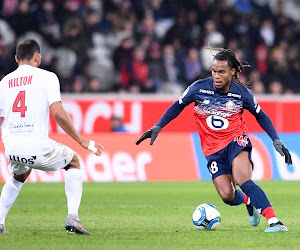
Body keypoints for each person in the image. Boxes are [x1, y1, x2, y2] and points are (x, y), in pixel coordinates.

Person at [136, 46, 292, 233]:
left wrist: (276, 140)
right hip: (212, 150)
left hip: (236, 141)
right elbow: (177, 106)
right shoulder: (198, 88)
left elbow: (261, 116)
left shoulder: (242, 94)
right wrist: (157, 127)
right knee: (227, 195)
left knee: (242, 178)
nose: (216, 76)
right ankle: (249, 201)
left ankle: (275, 222)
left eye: (221, 72)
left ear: (232, 72)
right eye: (214, 71)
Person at [0, 39, 104, 235]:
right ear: (38, 57)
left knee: (19, 175)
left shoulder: (4, 82)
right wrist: (82, 140)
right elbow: (58, 112)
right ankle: (73, 217)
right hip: (36, 146)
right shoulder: (47, 77)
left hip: (11, 148)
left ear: (16, 59)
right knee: (73, 161)